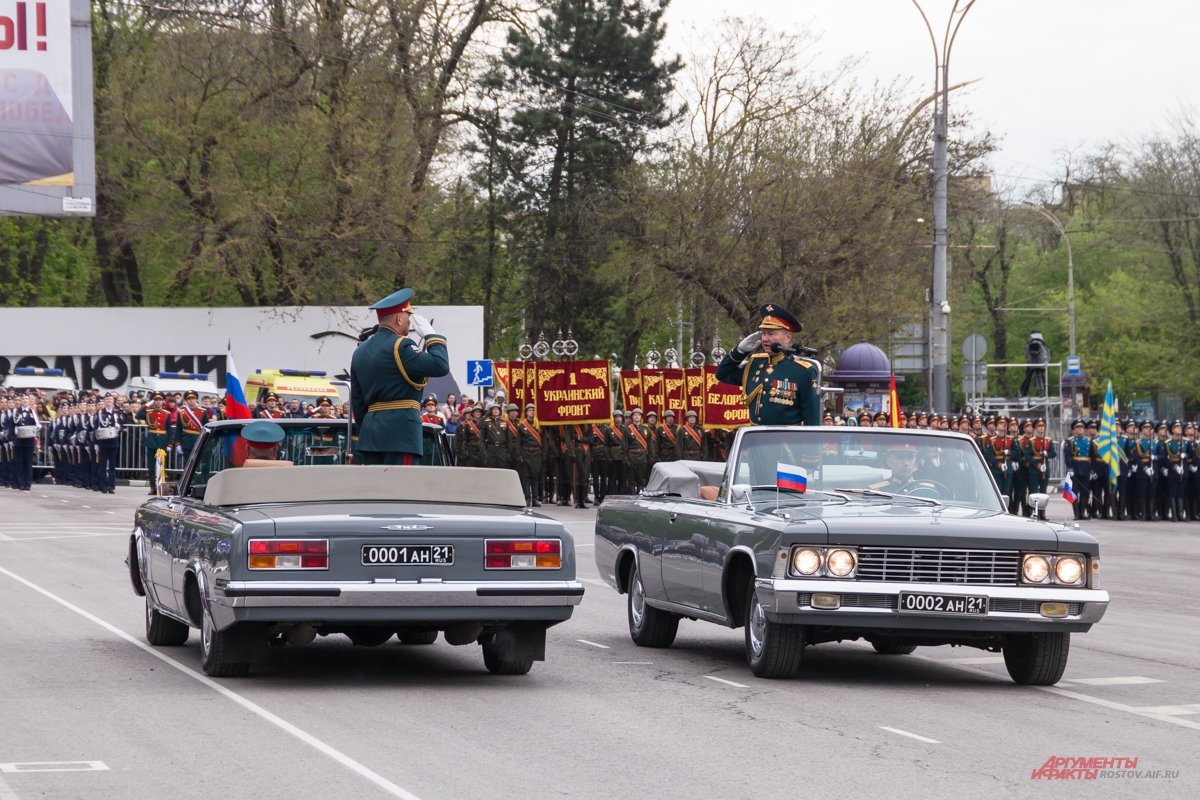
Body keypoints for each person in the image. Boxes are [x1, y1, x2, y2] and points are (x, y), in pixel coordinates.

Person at [350, 288, 449, 465]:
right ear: (398, 318)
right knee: (400, 490)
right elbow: (440, 365)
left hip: (371, 436)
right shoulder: (402, 346)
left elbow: (357, 402)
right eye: (408, 318)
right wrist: (432, 336)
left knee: (374, 491)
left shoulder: (360, 351)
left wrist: (367, 431)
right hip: (401, 434)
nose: (409, 324)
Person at [716, 303, 821, 426]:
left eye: (771, 334)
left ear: (788, 337)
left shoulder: (803, 370)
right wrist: (740, 351)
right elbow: (722, 374)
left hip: (786, 442)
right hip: (755, 440)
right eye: (763, 333)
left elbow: (812, 420)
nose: (765, 339)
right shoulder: (755, 364)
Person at [872, 441, 942, 496]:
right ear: (888, 461)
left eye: (910, 458)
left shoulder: (928, 490)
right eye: (899, 457)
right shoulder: (877, 490)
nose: (906, 463)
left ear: (916, 463)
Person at [1019, 331, 1049, 399]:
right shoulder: (1041, 342)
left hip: (1033, 362)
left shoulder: (1031, 340)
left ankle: (1023, 392)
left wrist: (1028, 360)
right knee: (1042, 376)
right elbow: (1046, 353)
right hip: (1041, 361)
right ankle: (1043, 391)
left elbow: (1027, 353)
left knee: (1028, 377)